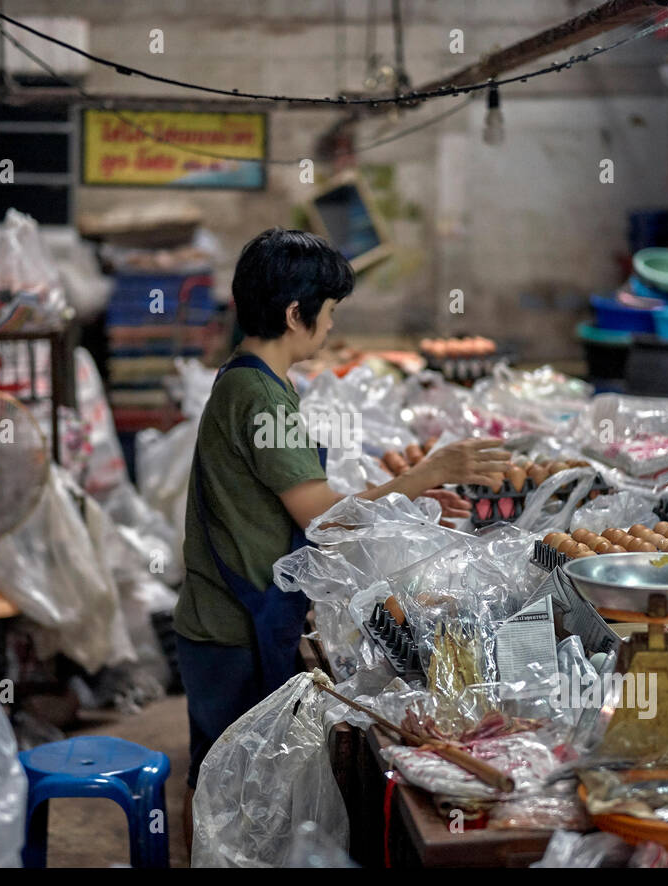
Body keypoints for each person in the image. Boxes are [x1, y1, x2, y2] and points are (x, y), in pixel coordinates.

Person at [174, 227, 509, 850]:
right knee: (237, 795)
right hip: (234, 630)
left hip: (227, 618)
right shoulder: (259, 399)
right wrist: (424, 472)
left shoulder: (251, 383)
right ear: (296, 314)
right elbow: (323, 518)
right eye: (328, 314)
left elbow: (306, 504)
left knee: (230, 784)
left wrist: (406, 495)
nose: (330, 328)